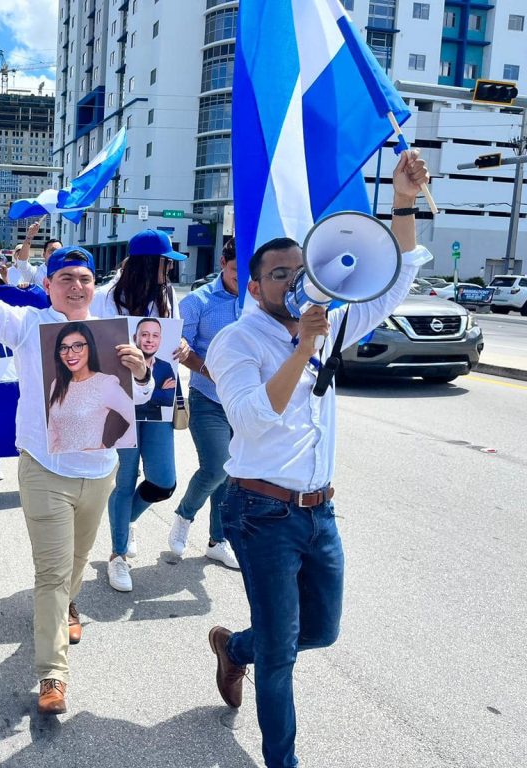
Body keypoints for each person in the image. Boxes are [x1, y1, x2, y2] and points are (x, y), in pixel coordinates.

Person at [205, 150, 431, 768]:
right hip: (260, 512)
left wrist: (404, 202)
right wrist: (303, 345)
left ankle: (236, 648)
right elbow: (253, 417)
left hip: (320, 512)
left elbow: (400, 273)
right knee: (283, 656)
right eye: (278, 274)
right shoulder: (237, 340)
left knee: (321, 631)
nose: (292, 281)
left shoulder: (331, 322)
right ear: (254, 286)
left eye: (299, 270)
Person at [0, 193, 154, 715]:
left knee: (76, 564)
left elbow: (142, 400)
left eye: (85, 279)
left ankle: (69, 603)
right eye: (65, 278)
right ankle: (52, 676)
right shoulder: (29, 327)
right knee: (50, 571)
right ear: (47, 286)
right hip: (45, 469)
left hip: (101, 470)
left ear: (95, 287)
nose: (76, 286)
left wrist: (142, 373)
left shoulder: (115, 334)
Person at [92, 229, 185, 592]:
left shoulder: (167, 295)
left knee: (164, 480)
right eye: (166, 263)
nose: (170, 271)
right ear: (152, 264)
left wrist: (180, 345)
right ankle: (117, 556)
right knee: (125, 478)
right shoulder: (106, 298)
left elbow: (169, 338)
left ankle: (123, 520)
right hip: (119, 402)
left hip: (159, 399)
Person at [170, 236, 242, 570]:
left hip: (242, 402)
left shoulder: (257, 301)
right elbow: (180, 346)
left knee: (231, 473)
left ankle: (218, 540)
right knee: (216, 466)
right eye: (234, 272)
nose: (241, 281)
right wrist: (207, 370)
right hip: (208, 397)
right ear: (222, 266)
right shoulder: (198, 302)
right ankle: (184, 516)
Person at [45, 321, 136, 453]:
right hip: (58, 466)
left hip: (90, 467)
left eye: (78, 346)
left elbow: (135, 417)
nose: (70, 354)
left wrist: (112, 449)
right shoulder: (57, 384)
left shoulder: (105, 384)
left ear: (90, 347)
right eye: (64, 347)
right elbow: (52, 430)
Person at [8, 217, 62, 287]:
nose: (55, 254)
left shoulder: (68, 272)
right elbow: (22, 263)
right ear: (44, 254)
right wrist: (29, 236)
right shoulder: (36, 272)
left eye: (59, 251)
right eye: (51, 251)